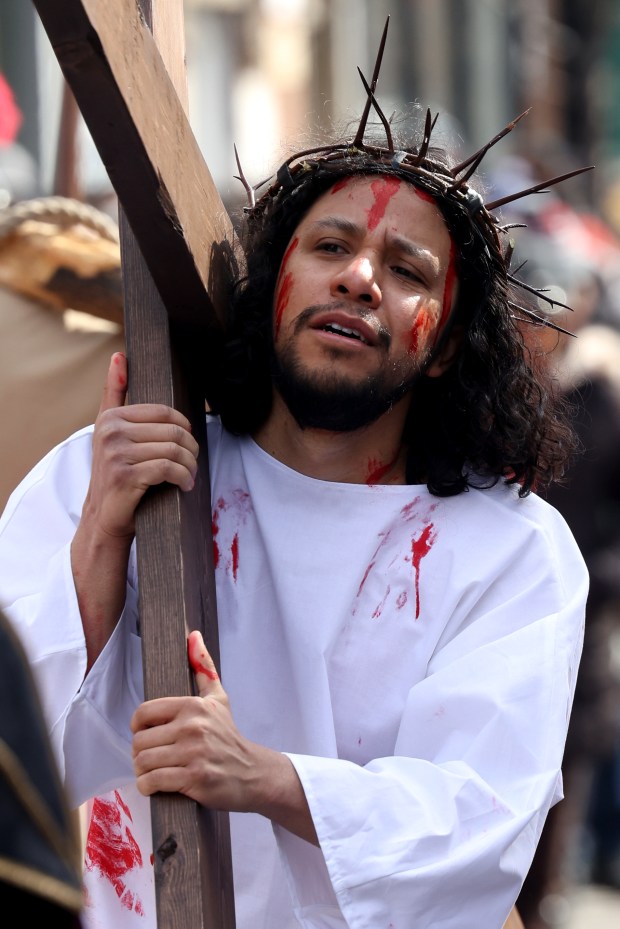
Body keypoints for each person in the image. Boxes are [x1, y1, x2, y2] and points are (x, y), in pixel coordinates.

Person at [0, 34, 588, 929]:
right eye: (332, 246)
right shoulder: (112, 473)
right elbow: (24, 753)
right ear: (275, 281)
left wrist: (261, 775)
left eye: (405, 270)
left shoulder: (513, 549)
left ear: (445, 348)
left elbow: (479, 827)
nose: (359, 278)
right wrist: (98, 545)